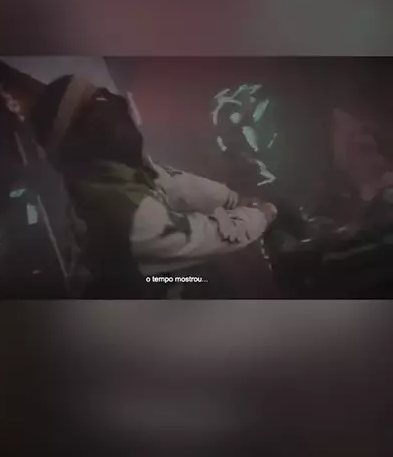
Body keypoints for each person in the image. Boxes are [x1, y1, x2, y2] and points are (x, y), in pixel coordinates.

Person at [30, 76, 277, 298]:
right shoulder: (123, 212)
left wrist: (232, 199)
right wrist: (262, 214)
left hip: (148, 273)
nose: (112, 101)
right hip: (140, 291)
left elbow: (174, 184)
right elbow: (208, 235)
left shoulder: (111, 171)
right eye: (95, 101)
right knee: (217, 275)